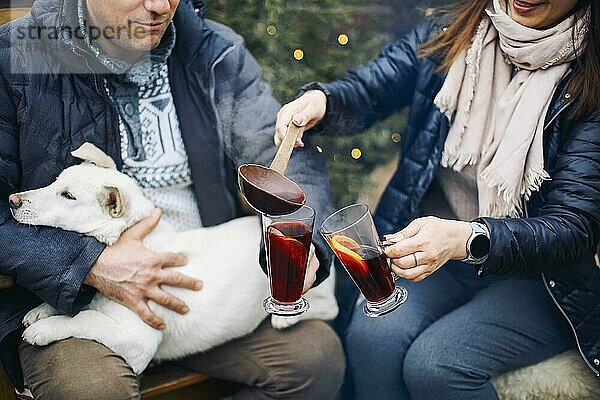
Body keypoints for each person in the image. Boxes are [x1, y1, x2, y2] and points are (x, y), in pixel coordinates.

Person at [0, 0, 345, 399]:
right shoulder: (16, 58)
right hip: (68, 297)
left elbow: (285, 156)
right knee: (92, 390)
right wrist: (87, 263)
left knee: (317, 360)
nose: (160, 6)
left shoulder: (215, 51)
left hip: (200, 295)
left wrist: (304, 240)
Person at [275, 0, 600, 399]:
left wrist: (465, 239)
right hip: (432, 258)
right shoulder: (451, 30)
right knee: (371, 336)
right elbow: (371, 88)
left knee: (435, 367)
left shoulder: (591, 76)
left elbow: (572, 228)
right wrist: (323, 102)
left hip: (541, 282)